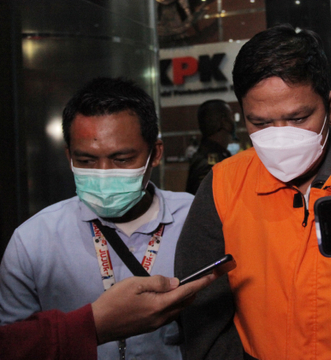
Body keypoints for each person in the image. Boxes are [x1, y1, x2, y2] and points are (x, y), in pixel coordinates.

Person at [175, 24, 331, 360]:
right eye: (259, 122)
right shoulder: (222, 183)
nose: (280, 137)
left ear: (329, 105)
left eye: (298, 118)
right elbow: (200, 304)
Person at [0, 78, 240, 359]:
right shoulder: (33, 241)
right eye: (87, 161)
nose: (103, 172)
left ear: (156, 154)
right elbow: (15, 346)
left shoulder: (199, 220)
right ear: (69, 156)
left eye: (122, 159)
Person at [0, 274, 217, 360]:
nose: (104, 174)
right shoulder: (31, 236)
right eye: (91, 169)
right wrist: (94, 324)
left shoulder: (190, 212)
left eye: (123, 169)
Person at [185, 99, 235, 194]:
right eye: (231, 116)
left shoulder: (214, 154)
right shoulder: (209, 163)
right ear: (224, 122)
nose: (233, 121)